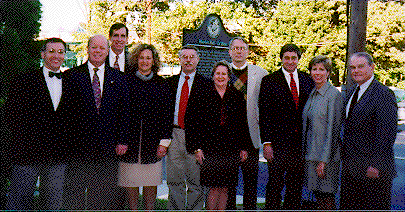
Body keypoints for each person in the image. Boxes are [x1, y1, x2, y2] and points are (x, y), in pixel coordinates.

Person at [4, 38, 70, 210]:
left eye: (61, 52)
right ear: (43, 54)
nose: (56, 55)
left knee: (53, 204)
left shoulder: (71, 83)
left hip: (58, 156)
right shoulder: (24, 81)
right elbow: (11, 115)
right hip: (27, 154)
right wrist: (26, 141)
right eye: (51, 51)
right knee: (19, 202)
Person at [63, 34, 126, 210]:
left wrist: (122, 140)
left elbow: (124, 112)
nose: (97, 51)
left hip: (108, 148)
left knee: (101, 195)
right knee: (74, 193)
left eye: (102, 48)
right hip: (78, 148)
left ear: (108, 51)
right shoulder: (71, 76)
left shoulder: (119, 78)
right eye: (94, 47)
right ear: (88, 49)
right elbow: (66, 115)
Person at [185, 60, 249, 211]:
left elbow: (242, 124)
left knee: (226, 188)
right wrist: (196, 148)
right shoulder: (202, 94)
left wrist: (243, 147)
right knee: (213, 187)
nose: (221, 76)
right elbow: (192, 122)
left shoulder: (236, 96)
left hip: (230, 149)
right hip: (210, 149)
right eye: (218, 73)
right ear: (213, 76)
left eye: (224, 74)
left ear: (228, 77)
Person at [116, 44, 172, 210]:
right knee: (131, 182)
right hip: (129, 143)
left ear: (153, 61)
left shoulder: (162, 84)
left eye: (148, 58)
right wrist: (120, 139)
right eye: (141, 57)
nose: (145, 61)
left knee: (150, 183)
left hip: (152, 145)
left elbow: (166, 115)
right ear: (136, 59)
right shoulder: (126, 81)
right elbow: (120, 112)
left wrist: (164, 142)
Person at [259, 44, 314, 210]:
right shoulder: (269, 81)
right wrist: (267, 143)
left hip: (299, 145)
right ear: (281, 59)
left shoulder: (307, 80)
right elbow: (264, 114)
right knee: (275, 184)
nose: (290, 61)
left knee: (295, 186)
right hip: (277, 144)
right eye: (287, 58)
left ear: (298, 59)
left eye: (294, 58)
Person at [340, 52, 397, 210]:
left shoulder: (383, 94)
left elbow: (386, 134)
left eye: (360, 66)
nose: (356, 71)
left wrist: (376, 165)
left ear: (372, 67)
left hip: (373, 172)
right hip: (351, 169)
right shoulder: (352, 92)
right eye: (352, 67)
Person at [165, 45, 211, 210]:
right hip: (174, 135)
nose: (188, 60)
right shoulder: (170, 83)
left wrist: (201, 145)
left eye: (192, 57)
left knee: (195, 183)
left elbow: (208, 119)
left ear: (198, 60)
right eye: (185, 57)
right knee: (174, 181)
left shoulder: (206, 84)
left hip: (195, 139)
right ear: (180, 59)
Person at [226, 37, 268, 210]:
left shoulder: (261, 73)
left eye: (242, 48)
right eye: (235, 48)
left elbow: (265, 105)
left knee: (250, 183)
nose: (238, 51)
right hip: (227, 137)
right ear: (229, 51)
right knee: (228, 183)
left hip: (251, 135)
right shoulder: (221, 71)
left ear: (248, 51)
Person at [302, 55, 343, 210]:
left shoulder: (333, 95)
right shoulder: (312, 93)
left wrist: (324, 161)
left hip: (326, 158)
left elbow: (333, 130)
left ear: (328, 72)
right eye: (314, 69)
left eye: (321, 69)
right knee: (318, 196)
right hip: (311, 155)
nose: (317, 73)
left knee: (327, 197)